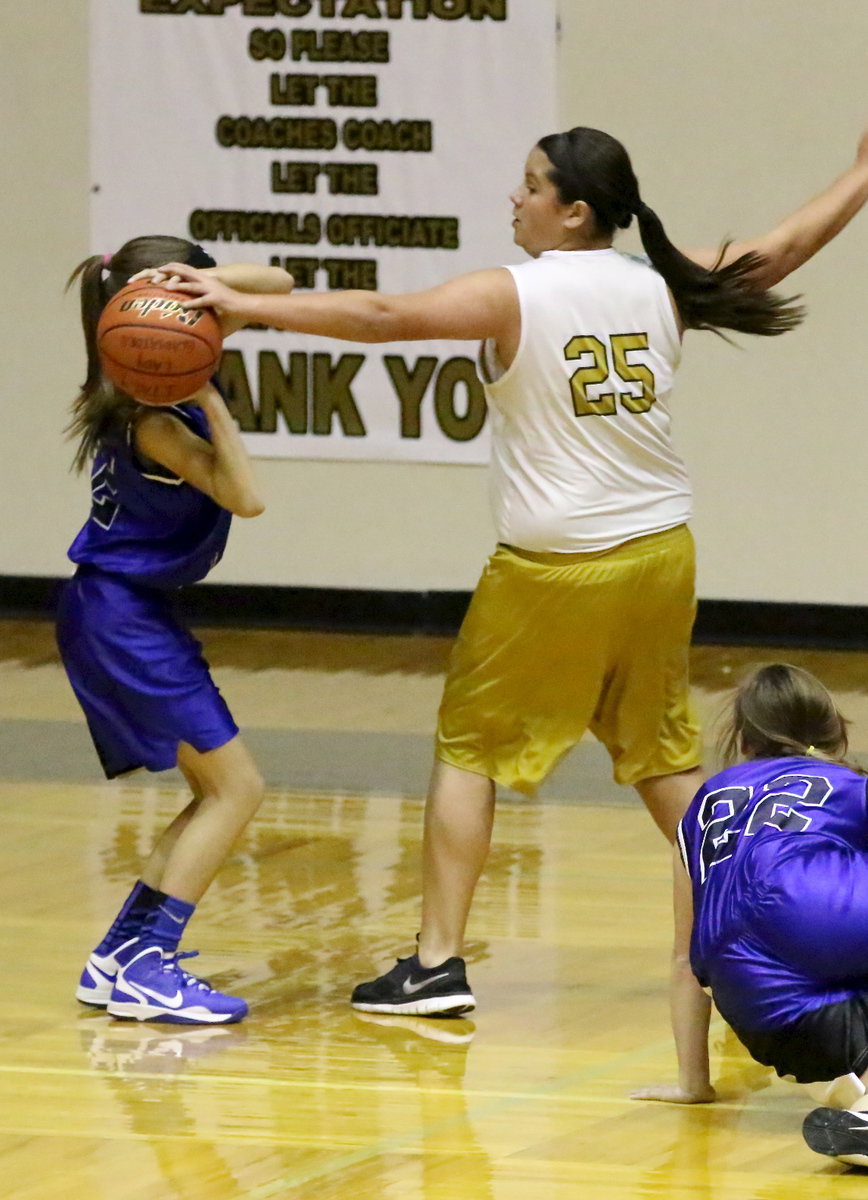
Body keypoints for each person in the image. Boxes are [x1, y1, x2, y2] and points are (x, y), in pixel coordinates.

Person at [142, 126, 868, 1019]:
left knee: (468, 749)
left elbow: (382, 320)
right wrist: (862, 176)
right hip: (661, 557)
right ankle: (783, 923)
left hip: (556, 570)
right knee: (659, 756)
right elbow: (784, 246)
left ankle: (437, 962)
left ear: (574, 212)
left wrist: (242, 306)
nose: (513, 201)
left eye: (530, 187)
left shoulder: (516, 294)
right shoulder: (661, 282)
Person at [60, 235, 293, 1024]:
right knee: (238, 789)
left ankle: (120, 956)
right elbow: (246, 497)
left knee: (211, 793)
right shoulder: (154, 415)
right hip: (121, 617)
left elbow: (282, 281)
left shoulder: (141, 378)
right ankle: (147, 962)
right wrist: (216, 398)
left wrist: (200, 284)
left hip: (128, 611)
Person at [631, 662, 868, 1169]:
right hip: (824, 916)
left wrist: (693, 1083)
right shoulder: (849, 785)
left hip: (753, 998)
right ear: (835, 732)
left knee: (830, 1032)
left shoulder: (699, 808)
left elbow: (682, 961)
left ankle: (861, 1111)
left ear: (743, 741)